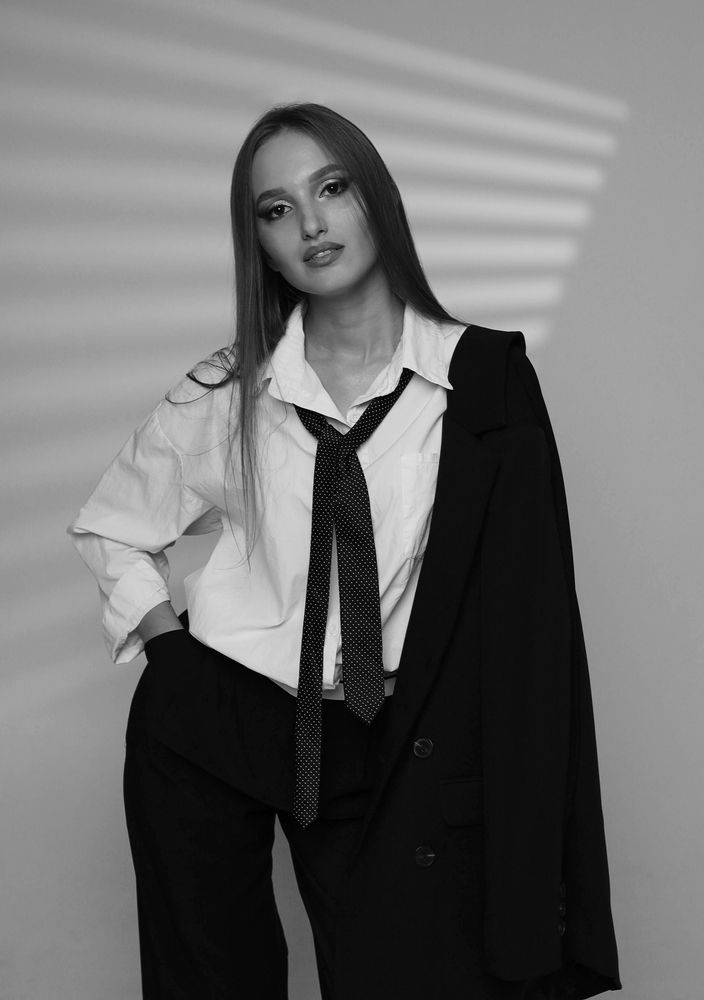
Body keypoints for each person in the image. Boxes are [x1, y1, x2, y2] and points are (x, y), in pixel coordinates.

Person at [68, 102, 621, 1000]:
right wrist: (171, 653)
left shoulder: (480, 382)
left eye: (331, 188)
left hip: (384, 729)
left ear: (377, 199)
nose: (311, 225)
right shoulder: (229, 389)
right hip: (222, 713)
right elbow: (111, 525)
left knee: (402, 972)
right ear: (259, 241)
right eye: (276, 209)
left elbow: (532, 619)